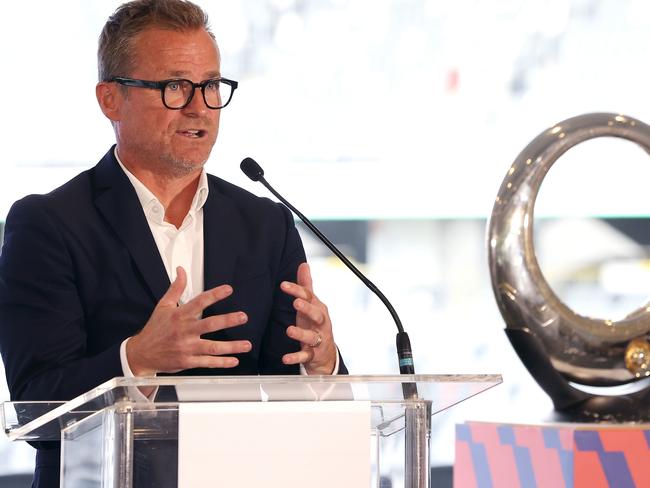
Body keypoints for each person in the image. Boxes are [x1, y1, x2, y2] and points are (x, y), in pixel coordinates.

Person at [0, 1, 345, 486]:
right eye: (175, 86)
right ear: (110, 100)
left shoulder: (266, 224)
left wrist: (322, 363)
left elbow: (299, 404)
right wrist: (136, 361)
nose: (200, 106)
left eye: (210, 86)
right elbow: (36, 409)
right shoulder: (49, 224)